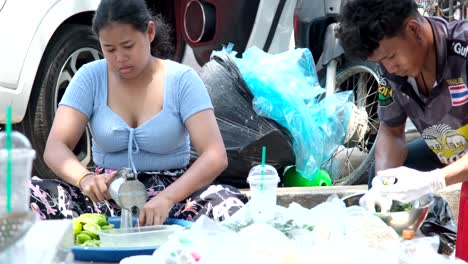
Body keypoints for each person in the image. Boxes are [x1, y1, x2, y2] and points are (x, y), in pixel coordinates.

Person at [29, 0, 247, 225]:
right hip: (106, 199)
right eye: (110, 49)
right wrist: (85, 178)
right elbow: (55, 147)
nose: (119, 58)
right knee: (29, 194)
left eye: (128, 46)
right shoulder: (90, 77)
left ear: (149, 32)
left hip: (174, 200)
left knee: (228, 204)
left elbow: (214, 155)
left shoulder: (182, 80)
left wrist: (167, 197)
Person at [336, 0, 468, 211]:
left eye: (391, 56)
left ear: (414, 29)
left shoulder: (463, 47)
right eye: (381, 61)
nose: (389, 68)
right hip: (447, 148)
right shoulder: (391, 71)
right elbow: (391, 132)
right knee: (384, 178)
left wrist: (434, 180)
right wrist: (383, 188)